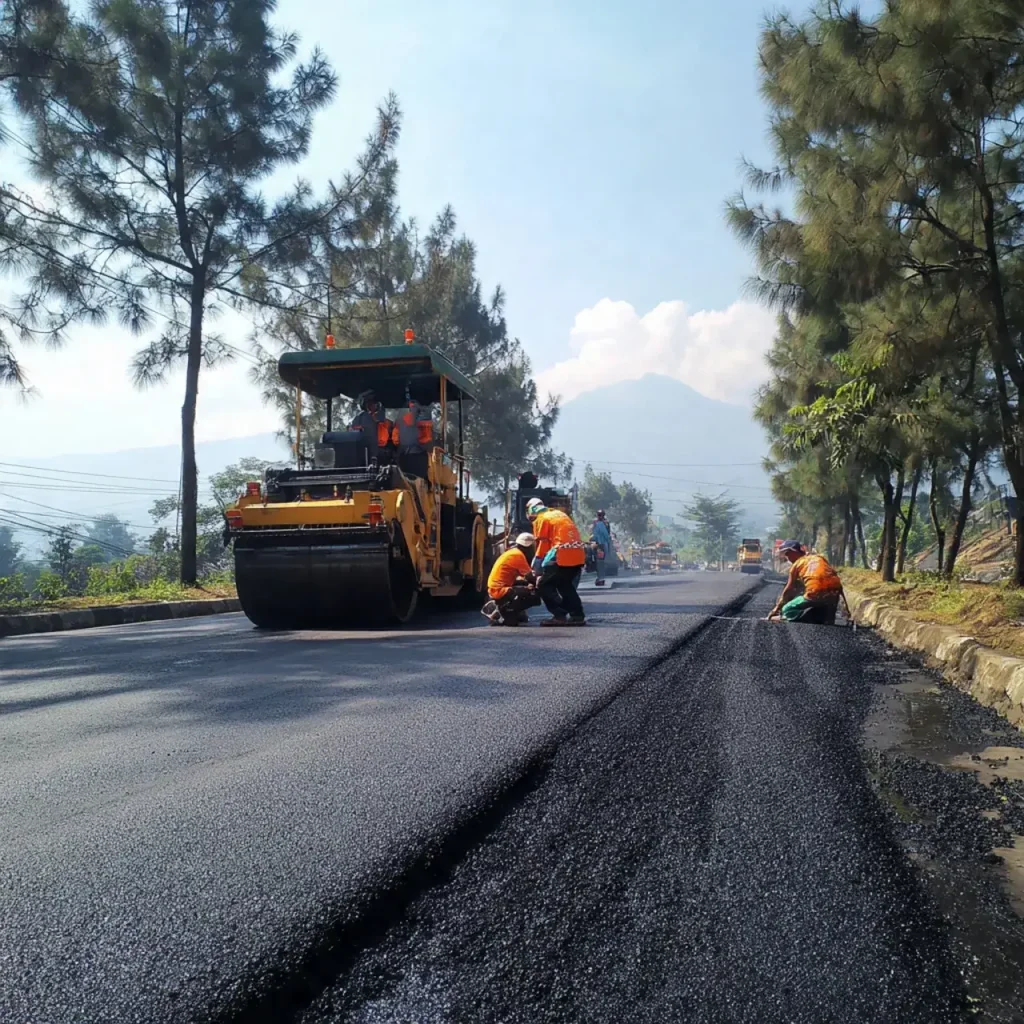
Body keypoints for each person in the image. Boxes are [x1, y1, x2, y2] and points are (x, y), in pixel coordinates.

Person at [526, 497, 587, 626]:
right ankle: (577, 615)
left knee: (543, 585)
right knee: (564, 585)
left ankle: (559, 614)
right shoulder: (559, 514)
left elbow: (543, 546)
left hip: (562, 554)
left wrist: (537, 569)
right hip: (578, 553)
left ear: (531, 511)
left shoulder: (541, 519)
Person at [767, 540, 846, 624]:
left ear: (793, 552)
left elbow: (789, 590)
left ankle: (809, 617)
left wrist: (777, 608)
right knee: (828, 616)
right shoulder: (819, 558)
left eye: (787, 554)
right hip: (834, 594)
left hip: (815, 593)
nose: (787, 558)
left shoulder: (796, 565)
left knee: (787, 609)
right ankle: (827, 618)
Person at [481, 533, 542, 626]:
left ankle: (512, 612)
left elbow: (522, 577)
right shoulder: (518, 555)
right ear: (529, 546)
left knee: (526, 587)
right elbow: (530, 577)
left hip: (497, 588)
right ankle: (508, 612)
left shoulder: (512, 552)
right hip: (500, 590)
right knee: (533, 593)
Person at [349, 390, 390, 461]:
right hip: (363, 450)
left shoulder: (380, 416)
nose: (372, 405)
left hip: (380, 450)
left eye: (374, 403)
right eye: (369, 403)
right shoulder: (361, 417)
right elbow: (353, 430)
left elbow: (384, 423)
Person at [591, 509, 612, 587]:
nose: (600, 516)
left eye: (601, 515)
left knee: (600, 562)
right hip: (599, 544)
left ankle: (600, 578)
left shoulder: (602, 523)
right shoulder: (598, 523)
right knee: (599, 562)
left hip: (600, 545)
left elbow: (606, 534)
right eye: (599, 515)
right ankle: (600, 578)